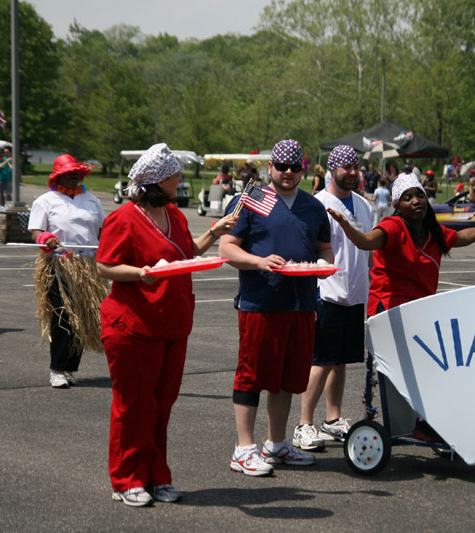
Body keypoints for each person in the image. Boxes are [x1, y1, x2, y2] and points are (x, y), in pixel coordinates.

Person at [96, 143, 237, 506]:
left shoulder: (175, 214)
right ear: (157, 181)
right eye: (174, 174)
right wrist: (139, 273)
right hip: (133, 326)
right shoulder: (123, 219)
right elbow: (104, 266)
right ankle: (126, 480)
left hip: (173, 324)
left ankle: (157, 477)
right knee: (134, 404)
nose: (180, 179)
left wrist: (216, 231)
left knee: (161, 404)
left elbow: (187, 252)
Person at [219, 139, 334, 477]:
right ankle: (243, 449)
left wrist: (322, 266)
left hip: (300, 304)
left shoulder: (313, 207)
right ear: (269, 167)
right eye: (281, 166)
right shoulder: (251, 200)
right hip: (260, 304)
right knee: (252, 375)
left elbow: (325, 250)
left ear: (303, 168)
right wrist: (259, 261)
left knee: (286, 379)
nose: (287, 172)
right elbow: (226, 248)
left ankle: (277, 443)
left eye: (293, 167)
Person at [326, 172, 475, 316]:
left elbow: (463, 237)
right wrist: (346, 225)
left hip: (421, 308)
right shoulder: (393, 227)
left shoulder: (433, 231)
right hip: (390, 309)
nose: (416, 201)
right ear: (397, 206)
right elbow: (366, 242)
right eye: (408, 198)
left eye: (420, 195)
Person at [293, 145, 372, 451]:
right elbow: (309, 250)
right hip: (327, 294)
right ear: (332, 169)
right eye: (346, 167)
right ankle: (304, 424)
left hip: (354, 295)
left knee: (341, 362)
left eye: (356, 167)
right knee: (321, 361)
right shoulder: (318, 205)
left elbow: (368, 251)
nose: (352, 172)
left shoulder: (364, 205)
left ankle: (332, 419)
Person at [28, 154, 107, 389]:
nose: (73, 177)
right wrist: (47, 238)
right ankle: (57, 368)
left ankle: (70, 368)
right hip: (59, 264)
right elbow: (36, 232)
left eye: (76, 173)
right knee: (63, 314)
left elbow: (103, 230)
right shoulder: (46, 200)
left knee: (82, 317)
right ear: (59, 176)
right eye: (68, 173)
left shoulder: (91, 200)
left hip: (87, 265)